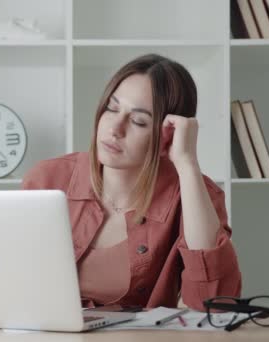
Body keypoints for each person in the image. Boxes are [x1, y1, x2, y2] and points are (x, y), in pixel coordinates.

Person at [21, 53, 241, 311]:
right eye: (112, 108)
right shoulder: (48, 179)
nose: (115, 128)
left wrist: (187, 164)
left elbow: (216, 304)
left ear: (167, 135)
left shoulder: (194, 195)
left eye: (138, 121)